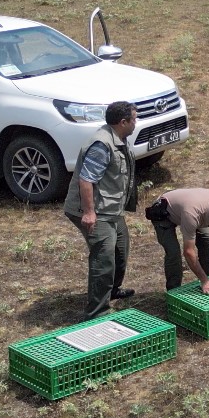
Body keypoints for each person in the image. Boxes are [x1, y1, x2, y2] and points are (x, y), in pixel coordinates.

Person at [63, 101, 138, 320]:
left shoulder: (119, 138)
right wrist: (89, 213)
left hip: (112, 210)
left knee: (120, 252)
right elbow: (86, 180)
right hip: (95, 211)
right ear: (123, 122)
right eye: (134, 118)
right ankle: (98, 312)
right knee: (103, 259)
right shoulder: (102, 145)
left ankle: (112, 292)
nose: (136, 122)